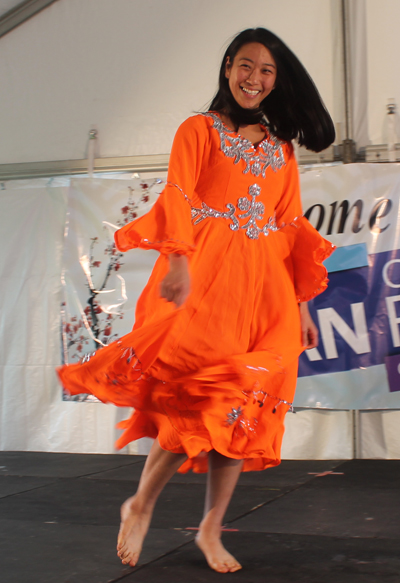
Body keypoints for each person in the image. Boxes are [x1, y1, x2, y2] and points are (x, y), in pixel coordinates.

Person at [58, 27, 335, 574]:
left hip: (266, 290)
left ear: (276, 82)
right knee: (197, 398)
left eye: (267, 72)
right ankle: (140, 504)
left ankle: (211, 527)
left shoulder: (281, 149)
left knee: (244, 402)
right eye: (246, 66)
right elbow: (179, 195)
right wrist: (179, 260)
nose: (254, 79)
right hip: (206, 278)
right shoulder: (199, 130)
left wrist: (302, 303)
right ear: (229, 66)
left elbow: (289, 226)